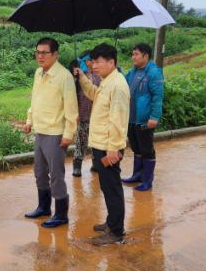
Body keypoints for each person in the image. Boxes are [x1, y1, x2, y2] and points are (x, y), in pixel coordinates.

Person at [74, 43, 130, 245]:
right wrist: (82, 76)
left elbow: (118, 120)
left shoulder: (118, 85)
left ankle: (116, 232)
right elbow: (93, 94)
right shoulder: (107, 81)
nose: (94, 66)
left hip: (109, 147)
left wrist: (113, 148)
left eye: (98, 62)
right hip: (101, 144)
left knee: (112, 188)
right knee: (107, 187)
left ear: (111, 62)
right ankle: (112, 222)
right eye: (93, 62)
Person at [23, 37, 79, 228]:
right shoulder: (39, 73)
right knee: (39, 172)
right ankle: (44, 207)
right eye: (37, 52)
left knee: (56, 175)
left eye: (44, 53)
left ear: (55, 54)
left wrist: (69, 134)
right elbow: (35, 100)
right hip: (40, 131)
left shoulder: (64, 76)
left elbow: (72, 109)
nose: (40, 56)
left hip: (56, 134)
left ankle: (61, 214)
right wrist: (29, 121)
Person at [121, 43, 164, 191]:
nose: (133, 57)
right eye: (132, 54)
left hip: (145, 118)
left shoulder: (153, 73)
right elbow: (122, 81)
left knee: (146, 149)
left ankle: (147, 180)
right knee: (136, 147)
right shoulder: (133, 72)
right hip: (132, 117)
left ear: (145, 56)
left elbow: (157, 97)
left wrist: (154, 117)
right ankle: (137, 175)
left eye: (136, 54)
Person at [69, 52, 101, 177]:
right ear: (87, 62)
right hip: (81, 114)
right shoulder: (78, 76)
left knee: (96, 141)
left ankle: (96, 163)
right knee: (80, 141)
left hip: (96, 116)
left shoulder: (99, 75)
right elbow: (71, 94)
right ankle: (77, 165)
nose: (95, 63)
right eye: (92, 60)